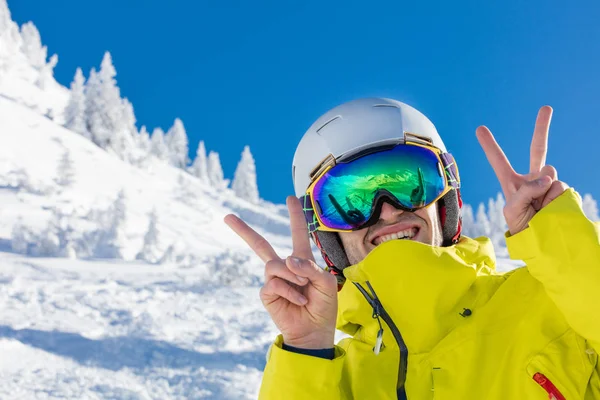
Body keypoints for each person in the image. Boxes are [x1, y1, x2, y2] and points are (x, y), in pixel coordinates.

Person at [225, 98, 600, 399]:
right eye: (351, 201)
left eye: (409, 182)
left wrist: (561, 240)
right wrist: (305, 351)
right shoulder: (337, 382)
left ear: (446, 200)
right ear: (327, 238)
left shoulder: (554, 309)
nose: (387, 210)